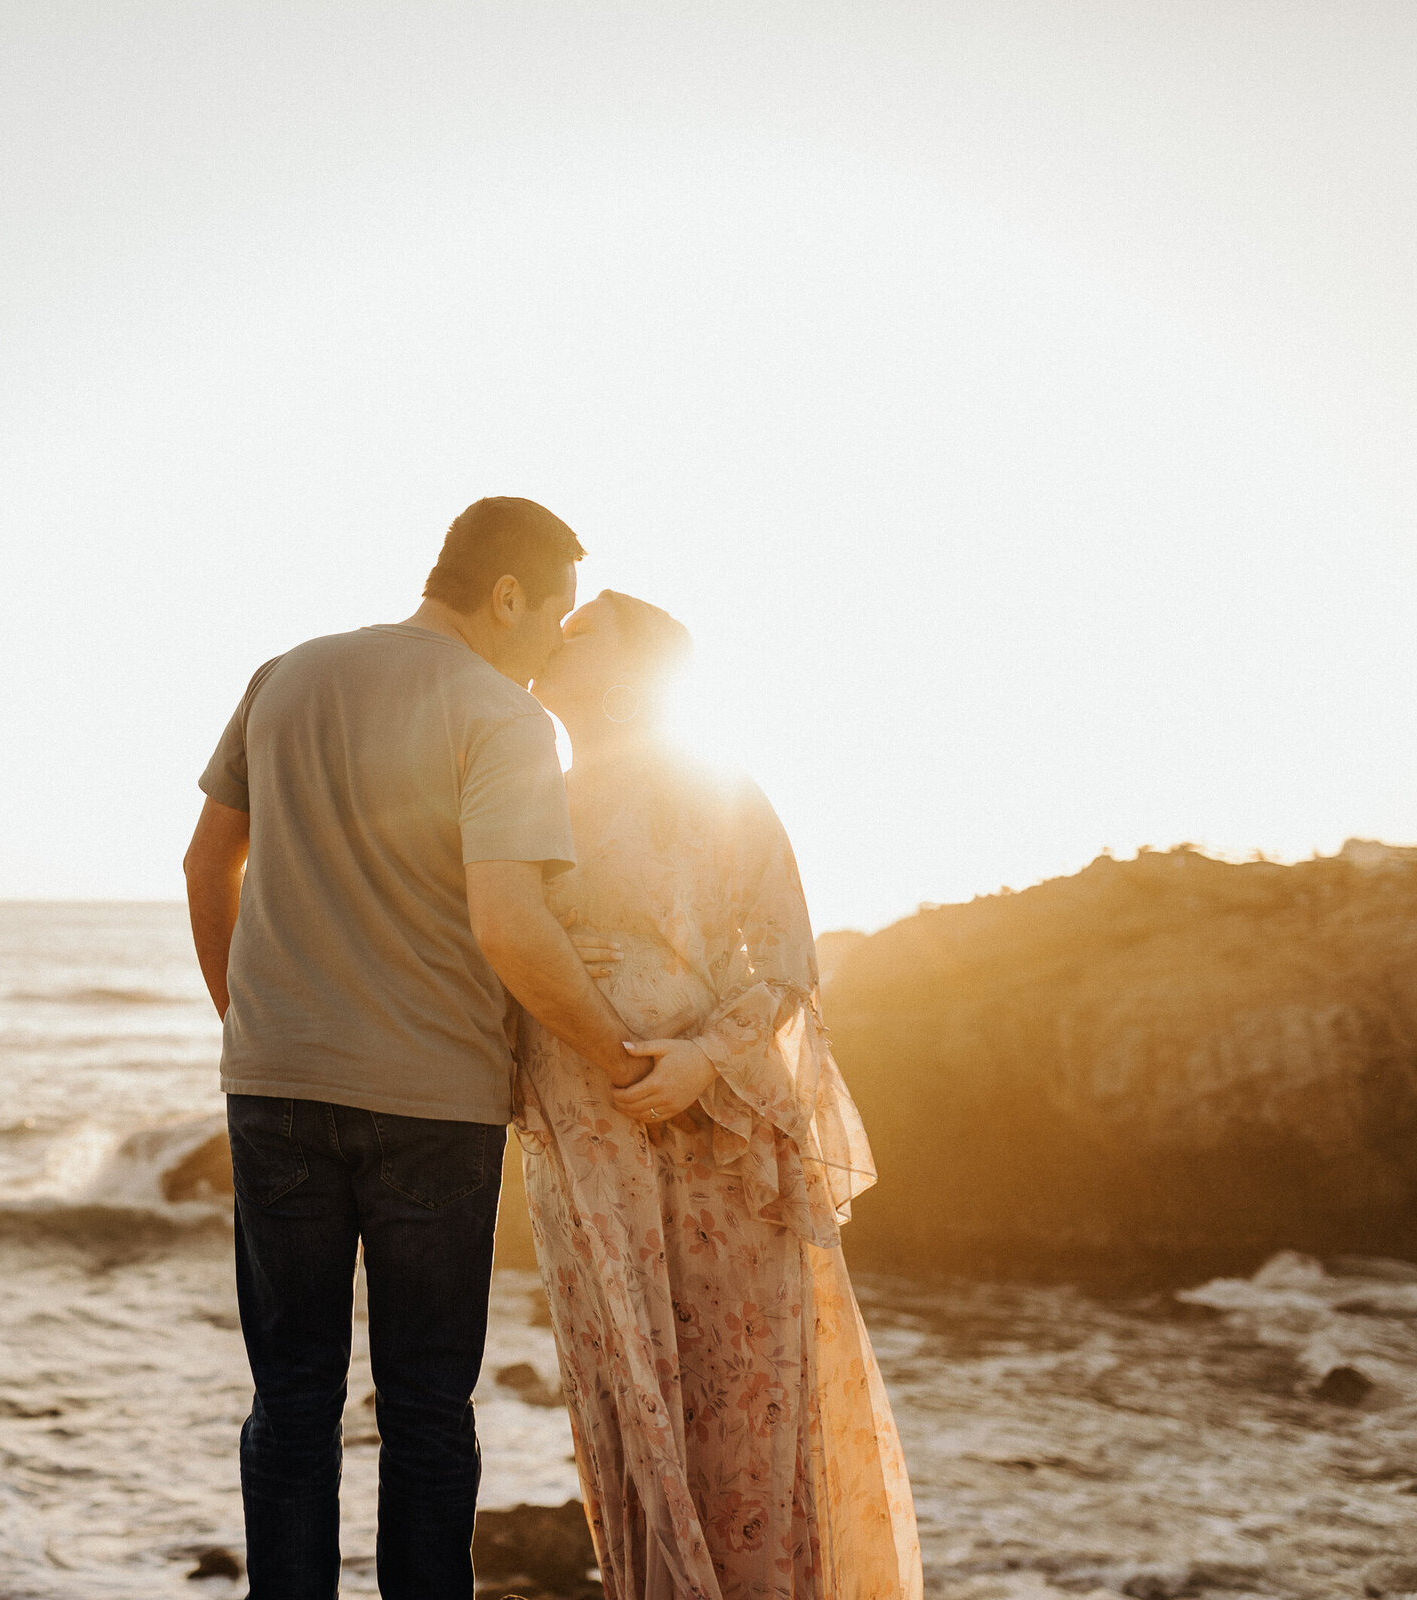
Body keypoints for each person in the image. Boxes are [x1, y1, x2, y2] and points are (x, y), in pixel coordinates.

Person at [181, 498, 649, 1599]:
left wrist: (248, 1021)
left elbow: (209, 866)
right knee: (429, 1406)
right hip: (434, 1107)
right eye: (554, 618)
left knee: (292, 1400)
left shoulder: (284, 675)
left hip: (276, 1086)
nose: (551, 647)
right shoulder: (502, 716)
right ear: (507, 596)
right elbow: (511, 926)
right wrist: (620, 1053)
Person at [518, 590, 924, 1598]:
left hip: (719, 1130)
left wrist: (702, 1058)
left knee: (739, 1401)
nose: (554, 641)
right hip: (586, 1134)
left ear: (642, 670)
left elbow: (785, 959)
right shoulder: (522, 795)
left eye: (582, 633)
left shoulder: (717, 786)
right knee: (627, 1390)